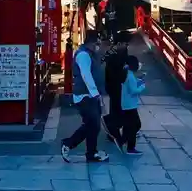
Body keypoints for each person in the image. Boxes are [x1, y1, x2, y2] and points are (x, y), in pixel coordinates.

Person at [61, 30, 109, 163]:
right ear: (91, 43)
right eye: (96, 43)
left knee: (92, 125)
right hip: (84, 96)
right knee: (92, 124)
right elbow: (85, 75)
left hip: (90, 95)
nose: (98, 46)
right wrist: (95, 93)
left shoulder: (91, 54)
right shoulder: (83, 55)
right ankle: (70, 144)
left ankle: (90, 152)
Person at [101, 31, 132, 147]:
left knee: (116, 107)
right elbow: (112, 70)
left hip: (118, 83)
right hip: (114, 83)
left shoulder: (120, 50)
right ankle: (109, 122)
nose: (127, 46)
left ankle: (112, 131)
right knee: (118, 107)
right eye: (126, 44)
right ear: (120, 43)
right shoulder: (114, 53)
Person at [120, 55, 145, 155]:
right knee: (135, 125)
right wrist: (142, 86)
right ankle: (130, 147)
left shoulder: (127, 73)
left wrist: (139, 80)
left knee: (128, 125)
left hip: (127, 104)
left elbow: (131, 84)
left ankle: (122, 140)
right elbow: (133, 90)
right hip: (130, 105)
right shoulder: (129, 76)